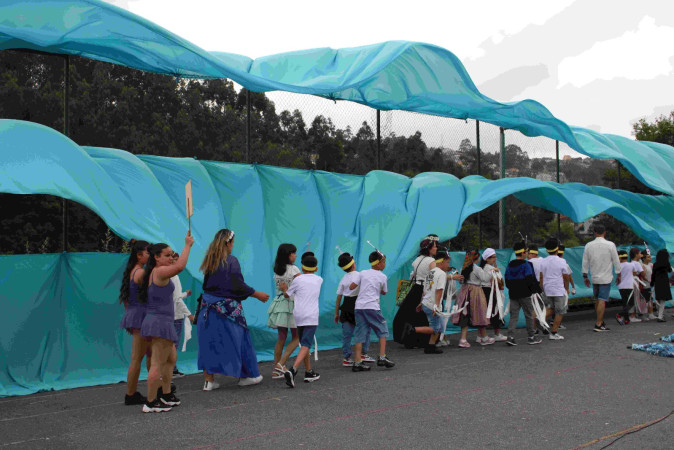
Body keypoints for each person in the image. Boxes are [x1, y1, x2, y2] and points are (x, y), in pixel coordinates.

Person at [197, 229, 270, 391]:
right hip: (227, 310)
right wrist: (256, 294)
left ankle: (209, 381)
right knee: (241, 340)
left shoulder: (209, 260)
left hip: (207, 309)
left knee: (208, 343)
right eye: (233, 242)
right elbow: (237, 284)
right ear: (228, 243)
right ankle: (247, 376)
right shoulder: (231, 261)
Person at [139, 233, 194, 413]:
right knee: (158, 363)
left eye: (172, 255)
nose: (171, 258)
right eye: (167, 255)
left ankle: (166, 393)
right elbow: (180, 266)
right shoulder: (159, 271)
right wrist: (187, 245)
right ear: (156, 257)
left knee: (171, 358)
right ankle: (151, 402)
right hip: (159, 322)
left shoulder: (155, 272)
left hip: (162, 321)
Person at [282, 252, 323, 387]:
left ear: (302, 267)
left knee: (303, 344)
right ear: (316, 268)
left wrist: (284, 288)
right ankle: (293, 370)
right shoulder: (319, 280)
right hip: (311, 316)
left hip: (298, 315)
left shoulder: (298, 280)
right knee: (306, 345)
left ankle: (308, 371)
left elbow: (287, 295)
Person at [350, 250, 395, 371]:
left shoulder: (362, 273)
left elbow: (352, 286)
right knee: (383, 330)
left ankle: (357, 362)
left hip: (359, 307)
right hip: (372, 307)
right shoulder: (382, 276)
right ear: (378, 263)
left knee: (360, 333)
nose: (385, 264)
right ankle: (382, 357)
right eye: (384, 262)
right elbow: (384, 292)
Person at [119, 239, 151, 405]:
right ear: (139, 255)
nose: (150, 255)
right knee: (137, 358)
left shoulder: (132, 271)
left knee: (149, 355)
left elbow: (127, 300)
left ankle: (154, 388)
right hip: (141, 316)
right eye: (148, 252)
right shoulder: (140, 273)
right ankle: (131, 394)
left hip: (136, 314)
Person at [393, 235, 438, 348]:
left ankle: (409, 340)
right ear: (429, 249)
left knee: (411, 315)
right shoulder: (431, 261)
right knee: (424, 316)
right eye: (434, 246)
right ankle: (423, 340)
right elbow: (433, 278)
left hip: (415, 288)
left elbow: (412, 275)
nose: (436, 248)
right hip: (424, 289)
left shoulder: (417, 260)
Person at [334, 252, 374, 366]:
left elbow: (339, 297)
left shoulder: (343, 279)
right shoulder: (360, 275)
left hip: (346, 307)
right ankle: (363, 353)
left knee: (347, 334)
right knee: (365, 330)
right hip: (359, 305)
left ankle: (346, 358)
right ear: (353, 265)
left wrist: (336, 313)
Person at [267, 243, 301, 379]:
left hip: (279, 304)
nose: (296, 255)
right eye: (294, 253)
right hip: (292, 304)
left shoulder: (277, 270)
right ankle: (280, 364)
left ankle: (276, 370)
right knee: (298, 337)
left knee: (281, 338)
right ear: (288, 255)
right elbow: (301, 286)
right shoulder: (294, 269)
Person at [581, 224, 621, 332]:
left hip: (594, 276)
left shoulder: (588, 245)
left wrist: (585, 275)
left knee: (597, 299)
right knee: (602, 299)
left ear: (594, 232)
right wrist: (619, 274)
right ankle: (598, 323)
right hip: (606, 277)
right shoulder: (610, 245)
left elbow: (585, 261)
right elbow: (616, 260)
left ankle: (600, 321)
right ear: (605, 232)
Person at [451, 249, 494, 348]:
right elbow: (485, 279)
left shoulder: (464, 267)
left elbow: (461, 281)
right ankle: (483, 338)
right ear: (477, 257)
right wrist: (492, 270)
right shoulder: (477, 268)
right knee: (480, 313)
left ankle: (464, 339)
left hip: (464, 291)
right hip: (475, 292)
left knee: (465, 314)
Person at [504, 241, 542, 346]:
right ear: (523, 253)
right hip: (525, 294)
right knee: (529, 315)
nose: (527, 253)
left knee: (513, 316)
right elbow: (530, 279)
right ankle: (531, 337)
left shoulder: (510, 265)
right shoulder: (527, 264)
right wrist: (536, 290)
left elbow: (507, 280)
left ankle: (510, 337)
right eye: (526, 252)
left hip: (513, 294)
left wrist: (513, 288)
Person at [539, 238, 570, 340]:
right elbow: (566, 276)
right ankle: (554, 332)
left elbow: (541, 277)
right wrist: (567, 288)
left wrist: (542, 287)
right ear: (557, 249)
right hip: (558, 289)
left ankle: (539, 318)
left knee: (551, 309)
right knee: (560, 311)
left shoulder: (543, 261)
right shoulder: (562, 261)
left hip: (547, 289)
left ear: (547, 250)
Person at [171, 252, 194, 378]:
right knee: (173, 345)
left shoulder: (168, 275)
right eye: (175, 259)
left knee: (170, 345)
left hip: (170, 314)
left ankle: (170, 369)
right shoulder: (174, 277)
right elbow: (177, 300)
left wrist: (185, 294)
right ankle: (171, 370)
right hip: (175, 316)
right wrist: (189, 314)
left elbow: (176, 297)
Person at [480, 248, 507, 342]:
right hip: (489, 291)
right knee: (495, 311)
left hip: (487, 291)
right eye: (493, 257)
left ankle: (481, 335)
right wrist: (494, 270)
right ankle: (497, 334)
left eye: (495, 257)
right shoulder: (489, 268)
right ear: (487, 259)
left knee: (484, 313)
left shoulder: (485, 267)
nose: (495, 259)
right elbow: (494, 280)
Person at [616, 249, 645, 325]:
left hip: (621, 286)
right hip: (629, 285)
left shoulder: (618, 266)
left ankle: (626, 319)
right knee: (631, 302)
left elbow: (618, 275)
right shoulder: (631, 265)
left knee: (625, 302)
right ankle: (620, 314)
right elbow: (634, 273)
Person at [651, 249, 672, 322]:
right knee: (663, 300)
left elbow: (653, 274)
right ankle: (660, 316)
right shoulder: (666, 264)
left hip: (657, 282)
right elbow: (670, 270)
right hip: (664, 282)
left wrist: (652, 282)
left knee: (658, 298)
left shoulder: (655, 264)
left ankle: (659, 313)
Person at [640, 250, 656, 320]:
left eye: (650, 256)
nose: (650, 258)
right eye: (648, 257)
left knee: (650, 300)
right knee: (644, 300)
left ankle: (651, 314)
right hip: (644, 285)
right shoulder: (642, 266)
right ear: (644, 258)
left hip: (650, 285)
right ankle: (643, 315)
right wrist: (648, 280)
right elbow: (643, 276)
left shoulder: (651, 265)